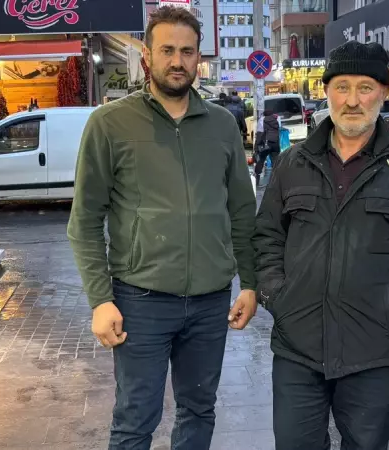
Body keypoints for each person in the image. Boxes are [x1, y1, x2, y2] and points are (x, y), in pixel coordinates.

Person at [67, 6, 257, 450]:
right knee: (135, 420)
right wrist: (100, 300)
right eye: (167, 50)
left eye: (187, 52)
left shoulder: (222, 126)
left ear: (198, 59)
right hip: (141, 300)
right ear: (147, 57)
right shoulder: (110, 124)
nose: (177, 61)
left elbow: (242, 212)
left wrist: (250, 283)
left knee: (199, 410)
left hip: (210, 300)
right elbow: (85, 221)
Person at [253, 41, 389, 450]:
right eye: (342, 87)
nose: (352, 100)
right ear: (327, 91)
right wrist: (275, 295)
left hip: (374, 351)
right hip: (297, 346)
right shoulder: (292, 163)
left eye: (365, 88)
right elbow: (267, 236)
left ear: (384, 92)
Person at [253, 109, 281, 186]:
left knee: (261, 160)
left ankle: (257, 180)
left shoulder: (262, 120)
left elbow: (259, 135)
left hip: (265, 144)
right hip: (275, 144)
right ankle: (277, 182)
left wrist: (256, 148)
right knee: (275, 162)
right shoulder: (277, 118)